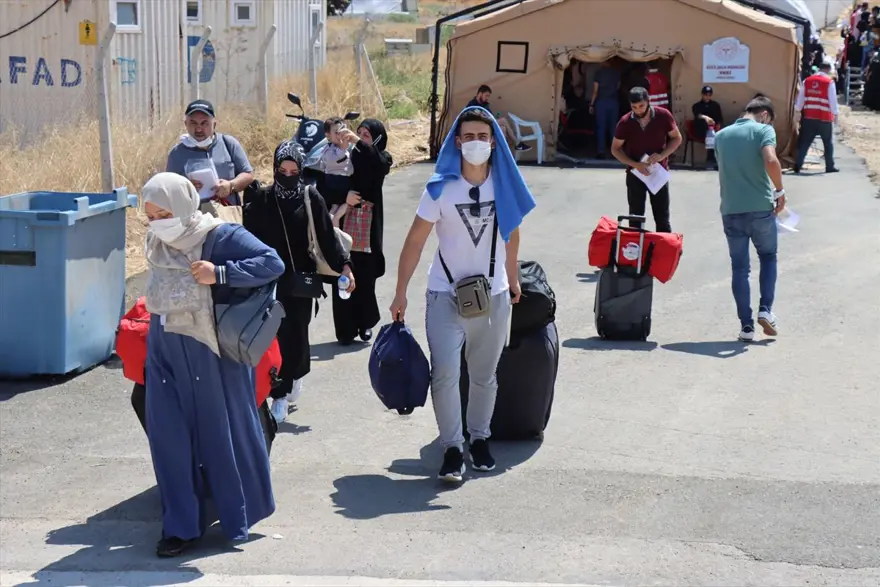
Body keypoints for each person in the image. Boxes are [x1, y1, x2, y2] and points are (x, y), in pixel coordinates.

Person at [389, 106, 536, 482]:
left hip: (494, 295)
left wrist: (512, 276)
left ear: (493, 142)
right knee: (446, 375)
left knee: (485, 376)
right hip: (445, 294)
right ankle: (452, 447)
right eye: (468, 137)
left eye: (482, 137)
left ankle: (480, 438)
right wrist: (401, 291)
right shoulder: (440, 187)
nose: (475, 143)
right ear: (457, 141)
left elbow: (512, 231)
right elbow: (415, 242)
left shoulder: (503, 185)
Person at [141, 172, 282, 557]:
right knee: (167, 436)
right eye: (150, 216)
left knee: (222, 432)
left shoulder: (217, 235)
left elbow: (272, 263)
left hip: (209, 348)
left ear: (184, 205)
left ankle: (239, 513)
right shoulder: (158, 239)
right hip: (163, 345)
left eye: (164, 213)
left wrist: (219, 273)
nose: (157, 223)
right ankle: (181, 527)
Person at [243, 141, 355, 423]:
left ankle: (290, 382)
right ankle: (278, 392)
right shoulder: (262, 199)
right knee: (274, 336)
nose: (288, 175)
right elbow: (247, 239)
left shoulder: (310, 197)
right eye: (283, 170)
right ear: (275, 168)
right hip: (269, 283)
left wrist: (345, 266)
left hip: (302, 282)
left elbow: (327, 237)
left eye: (294, 170)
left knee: (296, 335)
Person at [713, 96, 786, 342]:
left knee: (739, 268)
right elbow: (771, 160)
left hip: (731, 210)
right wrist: (780, 190)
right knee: (768, 256)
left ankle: (746, 326)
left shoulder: (721, 136)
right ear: (764, 114)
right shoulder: (764, 130)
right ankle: (766, 310)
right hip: (760, 208)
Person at [329, 119, 393, 345]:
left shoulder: (382, 158)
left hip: (367, 227)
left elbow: (376, 165)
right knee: (343, 275)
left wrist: (358, 142)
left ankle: (365, 324)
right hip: (343, 223)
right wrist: (343, 197)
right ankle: (345, 330)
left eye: (367, 135)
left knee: (365, 279)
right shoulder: (342, 156)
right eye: (359, 133)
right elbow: (325, 183)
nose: (360, 137)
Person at [610, 86, 683, 233]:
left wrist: (663, 155)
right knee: (635, 217)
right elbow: (615, 148)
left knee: (662, 216)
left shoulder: (663, 116)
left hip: (658, 173)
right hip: (635, 174)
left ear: (648, 101)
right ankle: (634, 252)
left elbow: (676, 138)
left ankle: (665, 251)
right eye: (634, 107)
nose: (638, 110)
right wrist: (635, 164)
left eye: (641, 106)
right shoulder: (625, 122)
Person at [165, 100, 254, 209]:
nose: (198, 129)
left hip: (228, 216)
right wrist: (186, 188)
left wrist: (231, 185)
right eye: (193, 123)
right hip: (194, 219)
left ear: (214, 124)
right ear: (186, 124)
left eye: (204, 123)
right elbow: (168, 189)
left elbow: (248, 174)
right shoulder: (176, 153)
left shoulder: (228, 143)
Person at [793, 62, 839, 174]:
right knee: (827, 143)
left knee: (804, 142)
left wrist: (797, 111)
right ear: (828, 70)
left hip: (809, 117)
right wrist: (836, 114)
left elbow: (800, 100)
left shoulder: (807, 81)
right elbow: (833, 101)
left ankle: (797, 165)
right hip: (824, 118)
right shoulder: (829, 82)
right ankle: (829, 166)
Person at [316, 116, 355, 227]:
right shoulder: (331, 150)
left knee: (335, 205)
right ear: (328, 136)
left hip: (331, 181)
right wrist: (343, 148)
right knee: (347, 202)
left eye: (343, 130)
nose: (341, 134)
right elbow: (337, 160)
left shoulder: (328, 149)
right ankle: (336, 218)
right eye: (337, 132)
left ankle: (332, 217)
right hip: (341, 181)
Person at [468, 84, 532, 153]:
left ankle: (502, 154)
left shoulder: (485, 104)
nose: (487, 98)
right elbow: (470, 116)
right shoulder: (472, 104)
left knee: (503, 128)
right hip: (480, 127)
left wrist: (493, 117)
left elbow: (489, 116)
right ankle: (517, 144)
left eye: (488, 96)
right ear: (480, 93)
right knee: (503, 120)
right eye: (486, 95)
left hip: (488, 124)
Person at [590, 59, 621, 159]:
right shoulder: (616, 72)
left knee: (601, 127)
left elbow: (595, 90)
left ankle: (601, 151)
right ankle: (615, 152)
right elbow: (618, 86)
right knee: (613, 127)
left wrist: (591, 104)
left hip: (601, 102)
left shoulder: (599, 73)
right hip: (613, 101)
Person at [692, 85, 724, 168]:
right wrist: (706, 118)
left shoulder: (715, 105)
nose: (707, 96)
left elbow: (719, 118)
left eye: (709, 95)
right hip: (701, 130)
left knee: (716, 135)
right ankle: (710, 161)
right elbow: (697, 115)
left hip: (714, 129)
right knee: (710, 136)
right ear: (702, 95)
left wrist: (718, 127)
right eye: (706, 94)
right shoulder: (696, 106)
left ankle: (718, 160)